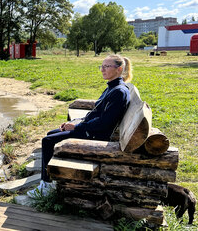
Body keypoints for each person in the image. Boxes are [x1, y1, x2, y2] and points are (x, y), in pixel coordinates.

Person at [27, 54, 132, 198]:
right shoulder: (111, 88)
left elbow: (104, 123)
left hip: (96, 136)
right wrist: (75, 122)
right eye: (101, 66)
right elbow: (95, 114)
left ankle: (47, 186)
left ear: (119, 69)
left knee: (47, 141)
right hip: (90, 129)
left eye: (106, 66)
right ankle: (51, 178)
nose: (102, 70)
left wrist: (76, 128)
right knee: (51, 134)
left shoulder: (119, 92)